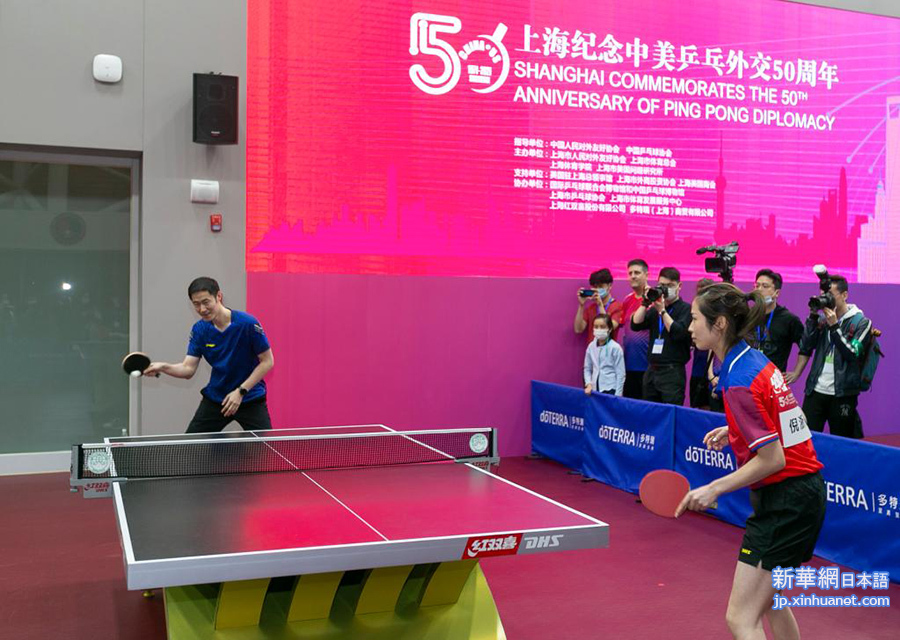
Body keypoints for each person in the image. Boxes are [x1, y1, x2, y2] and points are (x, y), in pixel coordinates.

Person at [680, 283, 825, 640]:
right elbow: (778, 419)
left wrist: (714, 488)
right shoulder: (753, 360)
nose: (689, 327)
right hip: (802, 495)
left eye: (695, 319)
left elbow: (772, 459)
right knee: (771, 602)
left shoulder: (739, 379)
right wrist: (734, 428)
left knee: (740, 619)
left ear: (720, 324)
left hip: (785, 502)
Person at [145, 277, 275, 433]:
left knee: (265, 446)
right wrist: (163, 367)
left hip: (249, 397)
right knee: (191, 445)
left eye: (206, 302)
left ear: (218, 296)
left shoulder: (247, 323)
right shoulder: (200, 330)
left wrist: (240, 391)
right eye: (196, 304)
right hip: (217, 398)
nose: (202, 309)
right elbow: (188, 369)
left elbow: (267, 361)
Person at [798, 274, 872, 439]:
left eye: (830, 295)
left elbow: (852, 353)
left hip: (842, 394)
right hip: (815, 390)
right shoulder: (822, 320)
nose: (826, 299)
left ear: (844, 295)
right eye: (824, 295)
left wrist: (834, 327)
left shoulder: (862, 322)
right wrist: (813, 316)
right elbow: (806, 345)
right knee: (806, 440)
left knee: (842, 442)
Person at [630, 267, 692, 405]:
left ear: (679, 286)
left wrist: (663, 311)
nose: (666, 289)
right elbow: (635, 324)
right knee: (649, 410)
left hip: (672, 372)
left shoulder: (686, 309)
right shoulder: (654, 310)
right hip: (652, 370)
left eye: (670, 285)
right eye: (662, 285)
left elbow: (678, 332)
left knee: (670, 411)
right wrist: (645, 302)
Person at [751, 269, 807, 383]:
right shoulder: (748, 315)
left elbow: (806, 347)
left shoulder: (788, 319)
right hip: (748, 378)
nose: (759, 290)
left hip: (774, 382)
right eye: (757, 286)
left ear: (776, 293)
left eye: (765, 286)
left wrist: (797, 372)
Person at [618, 259, 651, 399]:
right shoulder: (627, 300)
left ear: (646, 275)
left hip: (648, 367)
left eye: (637, 272)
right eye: (630, 273)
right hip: (629, 366)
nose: (633, 276)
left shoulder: (654, 300)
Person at [574, 268, 624, 342]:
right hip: (592, 348)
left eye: (600, 286)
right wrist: (581, 305)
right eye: (595, 286)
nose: (597, 289)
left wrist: (600, 305)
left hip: (609, 348)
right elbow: (578, 329)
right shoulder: (591, 308)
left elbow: (611, 327)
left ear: (610, 286)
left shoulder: (618, 306)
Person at [689, 278, 716, 410]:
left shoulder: (715, 316)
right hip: (697, 370)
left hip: (713, 372)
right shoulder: (695, 313)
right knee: (697, 408)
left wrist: (711, 374)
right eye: (699, 293)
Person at [583, 315, 625, 396]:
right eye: (596, 327)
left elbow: (620, 374)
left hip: (610, 389)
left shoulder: (615, 348)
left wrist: (618, 395)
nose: (598, 329)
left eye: (602, 327)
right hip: (594, 389)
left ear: (610, 329)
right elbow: (587, 368)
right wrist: (588, 383)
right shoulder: (591, 346)